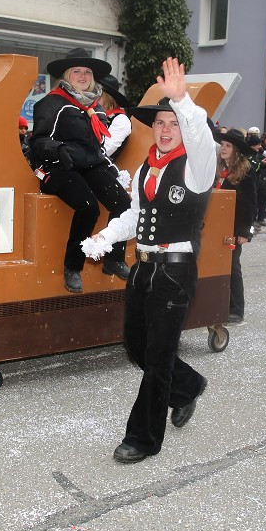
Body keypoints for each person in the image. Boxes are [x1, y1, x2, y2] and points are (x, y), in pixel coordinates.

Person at [83, 57, 213, 465]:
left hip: (175, 272)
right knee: (137, 347)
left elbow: (202, 139)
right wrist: (106, 235)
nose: (166, 129)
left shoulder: (197, 167)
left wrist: (183, 102)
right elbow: (136, 215)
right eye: (159, 123)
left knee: (157, 359)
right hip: (143, 269)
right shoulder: (145, 168)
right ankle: (188, 385)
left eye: (173, 123)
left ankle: (143, 438)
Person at [30, 48, 131, 292]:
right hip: (58, 167)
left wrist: (109, 168)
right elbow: (38, 142)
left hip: (89, 165)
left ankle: (113, 259)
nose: (83, 76)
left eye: (87, 72)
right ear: (66, 75)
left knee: (123, 202)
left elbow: (98, 147)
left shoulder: (95, 107)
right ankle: (72, 266)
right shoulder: (50, 103)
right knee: (89, 207)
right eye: (77, 71)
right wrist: (57, 149)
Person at [215, 128, 256, 323]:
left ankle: (237, 308)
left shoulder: (245, 172)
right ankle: (219, 304)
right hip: (217, 227)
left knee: (232, 266)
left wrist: (244, 231)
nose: (223, 148)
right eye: (222, 144)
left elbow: (250, 203)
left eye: (228, 145)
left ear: (237, 150)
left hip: (234, 228)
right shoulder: (219, 170)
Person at [98, 74, 133, 159]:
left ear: (107, 97)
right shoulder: (88, 113)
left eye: (96, 92)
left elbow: (104, 151)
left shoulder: (121, 120)